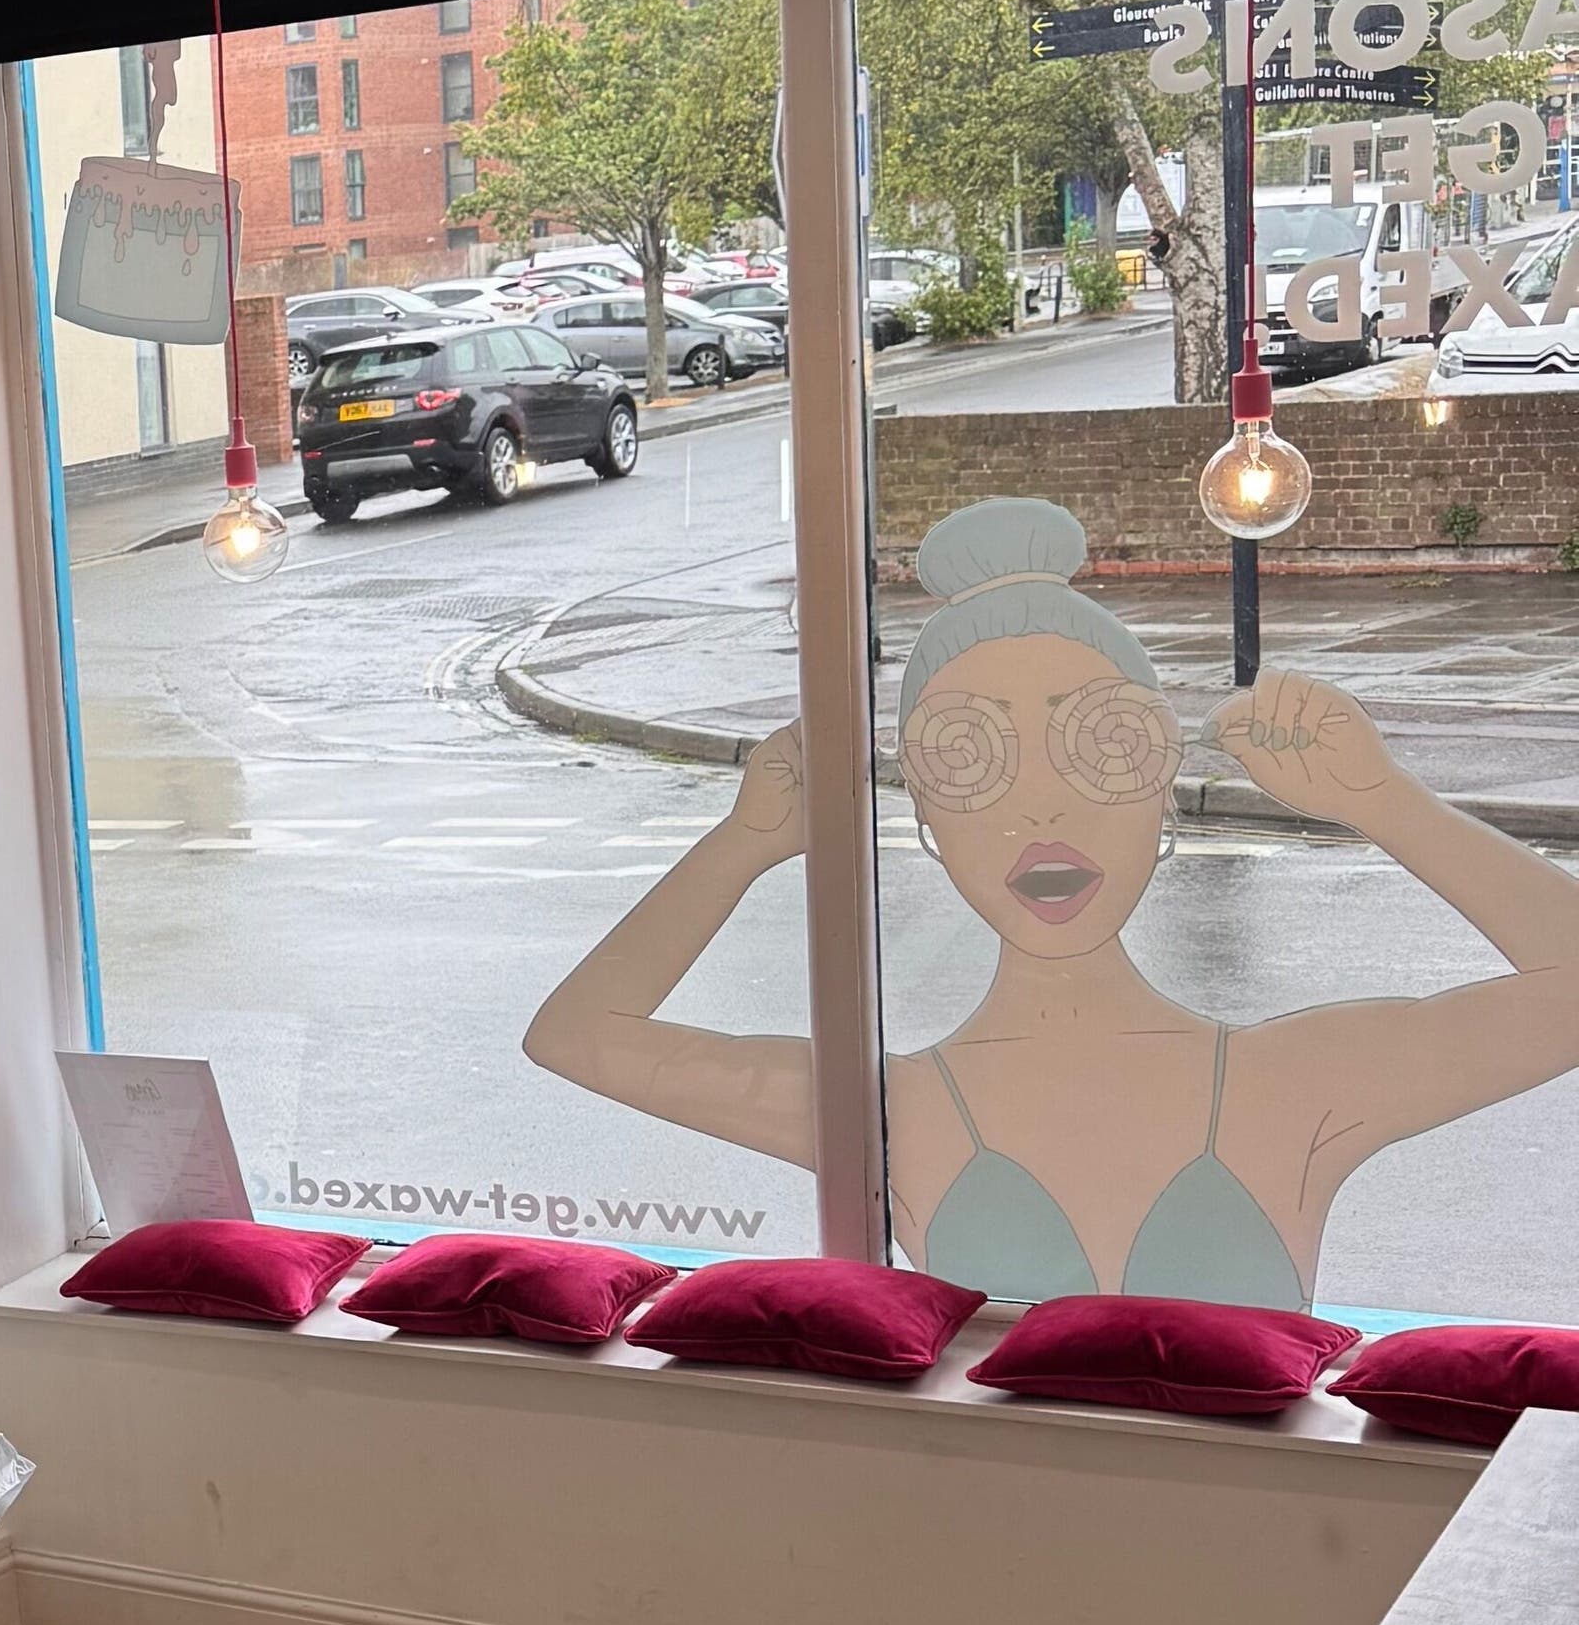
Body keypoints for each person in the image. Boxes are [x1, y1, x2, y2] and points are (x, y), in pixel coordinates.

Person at [527, 495, 1579, 1307]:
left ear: (1161, 776)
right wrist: (747, 840)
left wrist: (1383, 800)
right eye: (974, 755)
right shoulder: (898, 1111)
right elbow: (573, 1037)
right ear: (930, 819)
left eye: (1095, 745)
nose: (1041, 808)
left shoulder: (1289, 1085)